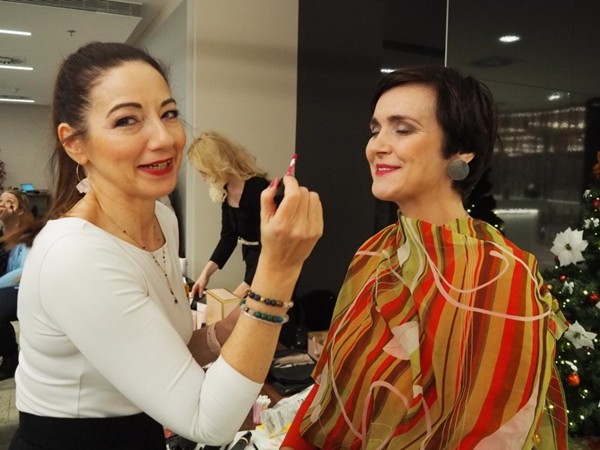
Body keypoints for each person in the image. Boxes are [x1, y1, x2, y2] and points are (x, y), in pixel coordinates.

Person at [12, 41, 322, 450]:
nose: (164, 137)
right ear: (75, 144)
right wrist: (278, 271)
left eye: (169, 114)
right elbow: (208, 422)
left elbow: (167, 356)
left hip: (142, 431)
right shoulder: (75, 255)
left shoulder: (162, 218)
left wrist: (226, 331)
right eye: (127, 120)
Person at [282, 65, 568, 449]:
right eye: (375, 129)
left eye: (402, 129)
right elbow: (330, 390)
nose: (377, 145)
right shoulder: (374, 252)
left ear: (461, 150)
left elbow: (488, 431)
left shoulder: (499, 274)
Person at [187, 131, 270, 299]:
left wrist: (244, 287)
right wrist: (205, 274)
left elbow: (267, 245)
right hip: (252, 261)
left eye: (204, 172)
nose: (203, 178)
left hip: (269, 263)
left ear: (215, 165)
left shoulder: (258, 188)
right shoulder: (225, 192)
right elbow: (228, 238)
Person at [0, 190, 39, 380]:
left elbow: (24, 272)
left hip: (24, 288)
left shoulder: (28, 234)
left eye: (9, 201)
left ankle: (10, 357)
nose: (2, 204)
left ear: (21, 210)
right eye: (0, 200)